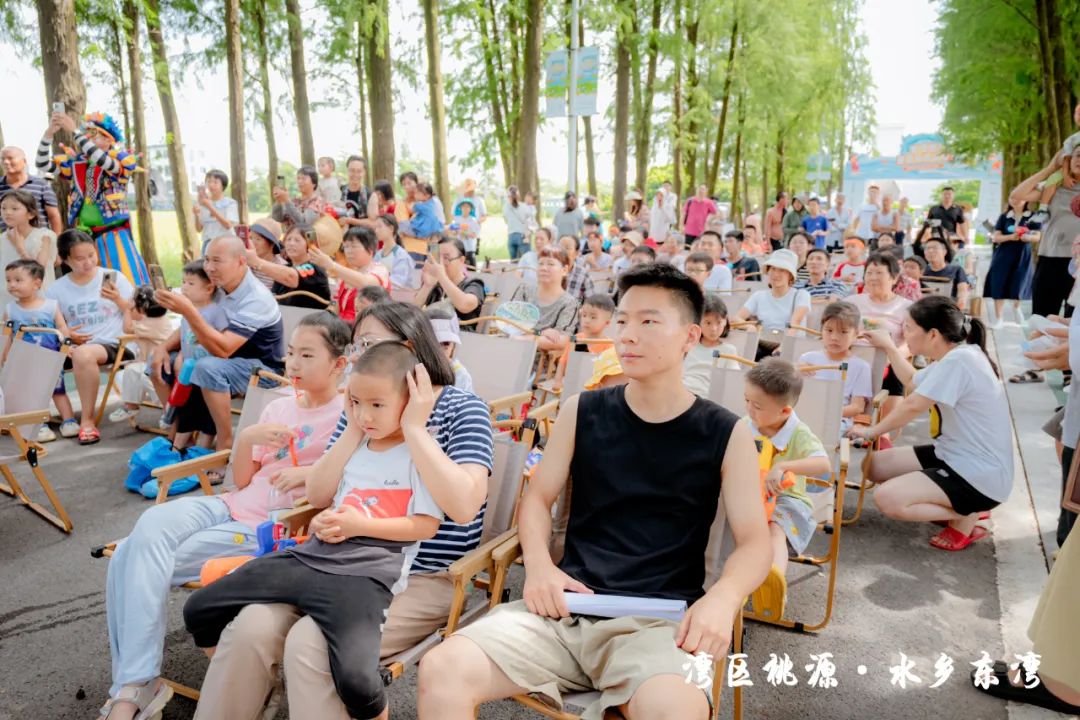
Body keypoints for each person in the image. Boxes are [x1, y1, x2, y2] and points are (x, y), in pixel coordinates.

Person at [416, 263, 772, 720]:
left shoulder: (726, 432)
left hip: (659, 625)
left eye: (649, 321)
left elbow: (755, 542)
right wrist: (539, 567)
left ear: (690, 337)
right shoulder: (581, 410)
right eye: (622, 320)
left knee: (675, 711)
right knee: (443, 668)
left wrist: (723, 599)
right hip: (564, 610)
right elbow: (537, 500)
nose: (628, 335)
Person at [190, 301, 493, 720]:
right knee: (251, 626)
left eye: (367, 345)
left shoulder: (463, 408)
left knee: (310, 643)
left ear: (406, 349)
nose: (354, 357)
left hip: (423, 576)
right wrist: (354, 426)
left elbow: (463, 507)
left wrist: (413, 428)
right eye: (356, 346)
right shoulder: (362, 408)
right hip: (334, 561)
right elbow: (318, 493)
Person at [98, 314, 348, 720]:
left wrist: (309, 473)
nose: (293, 364)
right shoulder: (279, 406)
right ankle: (139, 682)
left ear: (339, 364)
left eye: (307, 355)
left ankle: (134, 688)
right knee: (151, 524)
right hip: (229, 504)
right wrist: (246, 438)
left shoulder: (348, 415)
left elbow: (349, 481)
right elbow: (243, 479)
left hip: (265, 527)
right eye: (290, 354)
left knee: (127, 556)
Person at [850, 296, 1011, 551]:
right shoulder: (957, 356)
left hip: (977, 474)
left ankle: (968, 513)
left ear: (933, 334)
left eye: (909, 328)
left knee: (887, 499)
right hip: (954, 455)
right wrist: (889, 347)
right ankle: (955, 505)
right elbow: (913, 381)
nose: (905, 334)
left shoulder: (959, 361)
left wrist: (871, 431)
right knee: (874, 466)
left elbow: (913, 404)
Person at [152, 235, 285, 451]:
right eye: (206, 260)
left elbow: (223, 349)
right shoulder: (220, 286)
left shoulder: (255, 298)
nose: (209, 268)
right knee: (157, 362)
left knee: (206, 367)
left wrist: (188, 310)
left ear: (241, 261)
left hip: (262, 369)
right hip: (223, 358)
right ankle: (181, 434)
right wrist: (163, 347)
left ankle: (224, 441)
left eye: (217, 261)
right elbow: (196, 324)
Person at [742, 359, 831, 616]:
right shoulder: (745, 425)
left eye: (757, 406)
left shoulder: (798, 433)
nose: (749, 409)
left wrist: (783, 466)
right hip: (749, 495)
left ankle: (772, 580)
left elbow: (823, 464)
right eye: (747, 400)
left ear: (784, 411)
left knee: (775, 529)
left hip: (787, 498)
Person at [36, 110, 150, 286]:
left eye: (95, 134)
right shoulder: (78, 163)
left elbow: (101, 160)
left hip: (112, 233)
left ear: (109, 140)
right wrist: (49, 133)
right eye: (88, 133)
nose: (89, 137)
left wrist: (75, 131)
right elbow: (42, 163)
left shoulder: (119, 161)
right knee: (92, 284)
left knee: (121, 280)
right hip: (85, 236)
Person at [45, 229, 134, 444]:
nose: (88, 262)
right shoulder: (57, 289)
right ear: (65, 259)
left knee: (84, 355)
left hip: (114, 344)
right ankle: (35, 420)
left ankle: (87, 421)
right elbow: (51, 324)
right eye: (80, 258)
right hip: (74, 347)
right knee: (35, 349)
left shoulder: (113, 278)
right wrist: (67, 337)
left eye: (91, 255)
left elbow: (138, 313)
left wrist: (119, 300)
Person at [2, 258, 71, 442]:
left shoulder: (51, 306)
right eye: (8, 280)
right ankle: (40, 425)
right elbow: (7, 336)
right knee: (32, 394)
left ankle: (69, 420)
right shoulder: (10, 310)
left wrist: (66, 346)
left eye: (18, 280)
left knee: (58, 391)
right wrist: (6, 357)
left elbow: (62, 327)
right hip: (25, 361)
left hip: (51, 359)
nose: (12, 285)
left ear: (36, 284)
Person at [848, 252, 912, 431]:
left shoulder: (907, 307)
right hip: (852, 359)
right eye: (869, 273)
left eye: (879, 273)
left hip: (887, 360)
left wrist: (893, 356)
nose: (872, 278)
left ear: (894, 278)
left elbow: (910, 344)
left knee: (894, 372)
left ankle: (882, 432)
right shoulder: (852, 303)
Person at [797, 301, 873, 435]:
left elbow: (857, 407)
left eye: (843, 332)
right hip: (803, 416)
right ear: (821, 330)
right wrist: (795, 371)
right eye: (829, 330)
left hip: (837, 420)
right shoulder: (807, 359)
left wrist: (824, 413)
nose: (834, 337)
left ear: (855, 334)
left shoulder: (861, 367)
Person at [734, 250, 811, 358]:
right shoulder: (759, 295)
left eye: (782, 270)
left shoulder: (801, 295)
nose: (776, 274)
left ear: (790, 275)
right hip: (763, 343)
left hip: (791, 346)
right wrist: (748, 326)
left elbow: (795, 324)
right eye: (773, 269)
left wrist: (782, 348)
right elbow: (736, 318)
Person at [311, 225, 390, 324]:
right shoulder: (345, 273)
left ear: (370, 250)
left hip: (366, 326)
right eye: (346, 246)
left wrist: (331, 265)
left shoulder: (380, 270)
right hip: (342, 327)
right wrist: (322, 319)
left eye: (353, 246)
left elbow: (367, 284)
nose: (348, 251)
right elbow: (336, 305)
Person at [509, 247, 579, 353]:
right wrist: (540, 333)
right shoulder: (524, 290)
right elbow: (508, 324)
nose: (544, 268)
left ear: (564, 270)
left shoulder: (569, 303)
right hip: (510, 350)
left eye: (550, 264)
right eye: (540, 263)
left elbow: (560, 341)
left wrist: (522, 338)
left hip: (539, 358)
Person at [0, 188, 56, 310]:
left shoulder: (44, 236)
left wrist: (20, 249)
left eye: (14, 208)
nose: (7, 212)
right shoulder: (2, 238)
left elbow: (39, 269)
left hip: (38, 301)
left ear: (31, 214)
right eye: (3, 208)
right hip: (8, 300)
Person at [988, 200, 1041, 329]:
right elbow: (996, 237)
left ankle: (1017, 308)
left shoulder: (1032, 216)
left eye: (1019, 197)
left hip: (1023, 255)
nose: (1016, 200)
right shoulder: (1004, 216)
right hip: (1004, 254)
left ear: (1026, 199)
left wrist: (1027, 237)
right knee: (999, 284)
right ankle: (999, 318)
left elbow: (1037, 236)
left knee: (1020, 282)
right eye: (1013, 198)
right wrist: (1011, 237)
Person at [415, 236, 485, 327]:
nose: (441, 263)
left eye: (446, 258)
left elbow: (465, 305)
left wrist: (441, 276)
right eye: (438, 258)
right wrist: (427, 286)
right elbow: (412, 311)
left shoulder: (474, 285)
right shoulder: (435, 286)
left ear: (461, 260)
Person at [257, 224, 332, 308]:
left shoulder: (314, 268)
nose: (291, 243)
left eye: (297, 240)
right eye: (288, 239)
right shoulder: (285, 268)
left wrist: (256, 262)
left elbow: (291, 276)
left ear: (310, 244)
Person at [682, 293, 739, 396]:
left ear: (725, 321)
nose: (713, 329)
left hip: (707, 398)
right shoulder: (689, 344)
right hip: (683, 393)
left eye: (719, 323)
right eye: (708, 323)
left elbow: (733, 378)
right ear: (698, 321)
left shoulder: (729, 350)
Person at [0, 145, 62, 235]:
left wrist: (56, 240)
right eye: (2, 159)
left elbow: (53, 215)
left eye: (10, 158)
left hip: (39, 240)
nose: (5, 162)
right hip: (8, 241)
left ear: (24, 161)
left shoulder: (41, 185)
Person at [426, 303, 473, 392]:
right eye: (432, 344)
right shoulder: (412, 368)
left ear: (454, 346)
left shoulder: (460, 375)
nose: (438, 351)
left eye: (446, 344)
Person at [194, 170, 239, 256]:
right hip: (207, 244)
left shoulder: (230, 203)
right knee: (206, 265)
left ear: (223, 185)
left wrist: (209, 207)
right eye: (208, 181)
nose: (211, 185)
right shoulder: (202, 203)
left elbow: (228, 225)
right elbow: (198, 229)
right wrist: (196, 214)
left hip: (226, 243)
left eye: (215, 182)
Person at [272, 165, 328, 230]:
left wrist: (287, 200)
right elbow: (277, 219)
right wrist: (279, 201)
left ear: (314, 183)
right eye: (298, 178)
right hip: (289, 235)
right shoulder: (294, 201)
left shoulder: (318, 202)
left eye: (304, 178)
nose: (300, 181)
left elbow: (304, 223)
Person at [922, 235, 969, 308]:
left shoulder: (956, 270)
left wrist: (960, 303)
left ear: (944, 252)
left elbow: (962, 292)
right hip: (924, 308)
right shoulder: (921, 271)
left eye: (935, 248)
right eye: (927, 248)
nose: (930, 251)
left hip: (948, 308)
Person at [372, 213, 413, 289]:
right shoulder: (378, 254)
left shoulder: (401, 255)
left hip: (398, 295)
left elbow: (398, 283)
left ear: (391, 229)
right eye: (375, 228)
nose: (376, 231)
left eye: (380, 227)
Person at [245, 217, 286, 290]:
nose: (253, 243)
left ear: (272, 244)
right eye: (250, 238)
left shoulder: (282, 268)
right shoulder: (245, 262)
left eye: (258, 239)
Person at [557, 234, 597, 304]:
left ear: (576, 253)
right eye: (560, 247)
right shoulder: (549, 271)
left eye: (567, 248)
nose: (562, 251)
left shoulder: (583, 274)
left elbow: (591, 303)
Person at [336, 155, 370, 228]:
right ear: (347, 171)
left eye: (359, 171)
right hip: (340, 232)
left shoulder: (370, 194)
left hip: (363, 233)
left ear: (364, 172)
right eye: (352, 170)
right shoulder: (339, 191)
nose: (355, 174)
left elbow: (373, 222)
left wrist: (349, 221)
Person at [504, 185, 533, 260]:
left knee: (514, 263)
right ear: (518, 196)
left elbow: (506, 221)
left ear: (509, 196)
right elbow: (531, 222)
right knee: (527, 261)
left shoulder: (506, 207)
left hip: (511, 237)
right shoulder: (525, 207)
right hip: (523, 236)